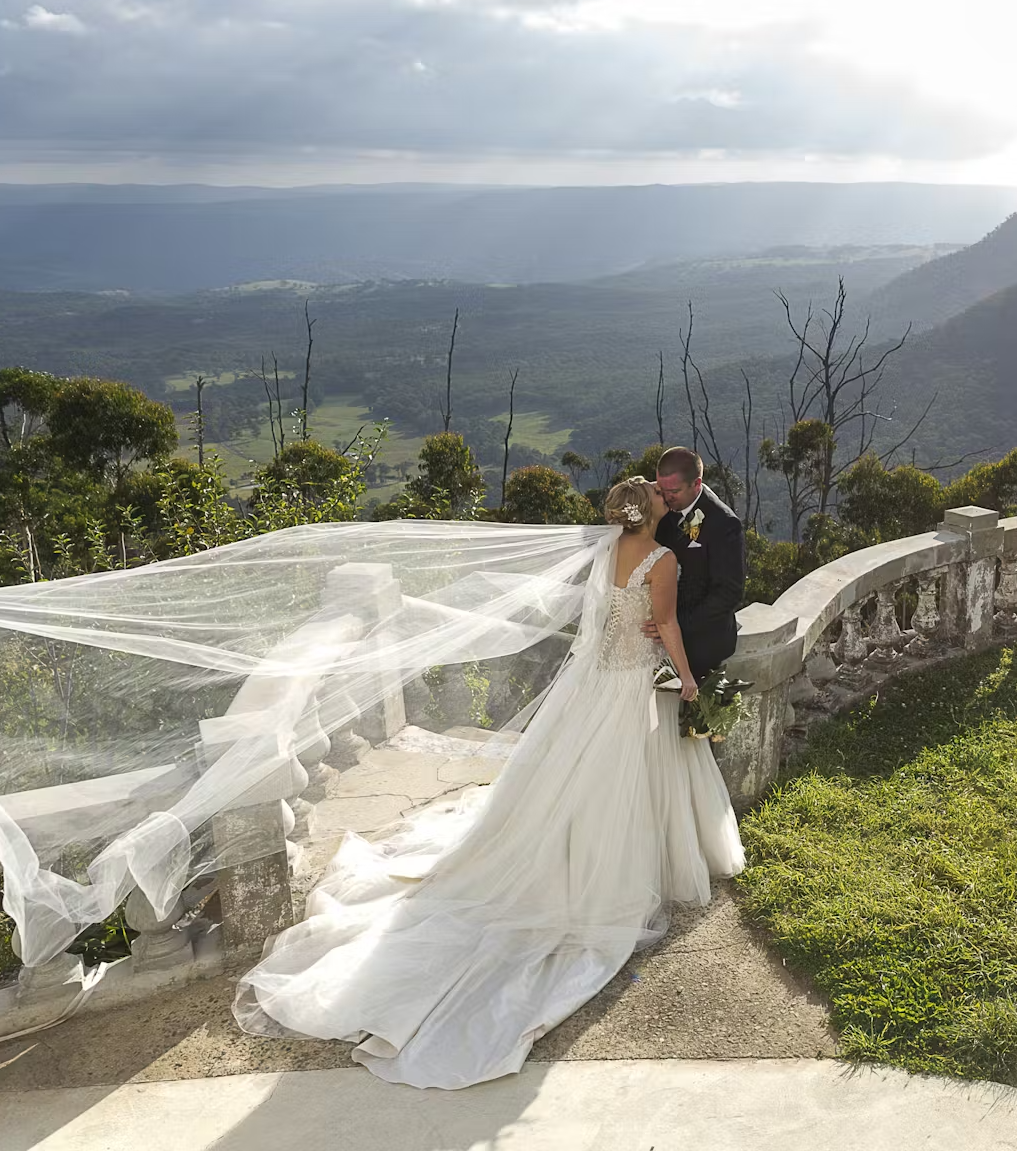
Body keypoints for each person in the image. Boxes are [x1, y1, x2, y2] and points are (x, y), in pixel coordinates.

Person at [233, 477, 745, 1089]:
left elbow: (602, 619)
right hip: (631, 683)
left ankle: (568, 851)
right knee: (618, 782)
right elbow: (664, 625)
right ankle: (608, 873)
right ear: (649, 512)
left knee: (570, 780)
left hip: (592, 685)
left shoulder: (608, 551)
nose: (666, 503)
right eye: (660, 500)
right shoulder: (660, 560)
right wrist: (687, 681)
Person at [644, 446, 746, 680]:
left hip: (700, 643)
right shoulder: (658, 502)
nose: (666, 497)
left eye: (674, 491)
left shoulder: (724, 524)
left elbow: (729, 593)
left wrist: (672, 623)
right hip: (655, 637)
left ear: (696, 484)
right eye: (661, 489)